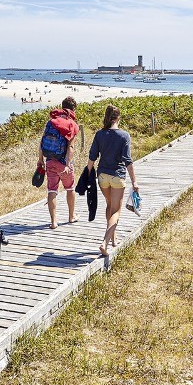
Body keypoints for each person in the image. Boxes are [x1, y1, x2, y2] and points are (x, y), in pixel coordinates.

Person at [87, 104, 138, 263]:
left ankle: (113, 239)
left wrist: (88, 174)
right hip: (117, 176)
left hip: (102, 176)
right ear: (118, 118)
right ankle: (105, 242)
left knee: (109, 205)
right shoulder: (124, 135)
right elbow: (127, 160)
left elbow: (92, 156)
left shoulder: (99, 134)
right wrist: (134, 181)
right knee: (116, 211)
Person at [39, 96, 80, 228]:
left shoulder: (51, 122)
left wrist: (40, 160)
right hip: (63, 163)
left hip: (50, 160)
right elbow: (71, 147)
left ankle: (53, 222)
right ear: (73, 109)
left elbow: (42, 142)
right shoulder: (72, 124)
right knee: (70, 188)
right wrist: (68, 164)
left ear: (62, 106)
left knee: (52, 190)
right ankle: (71, 216)